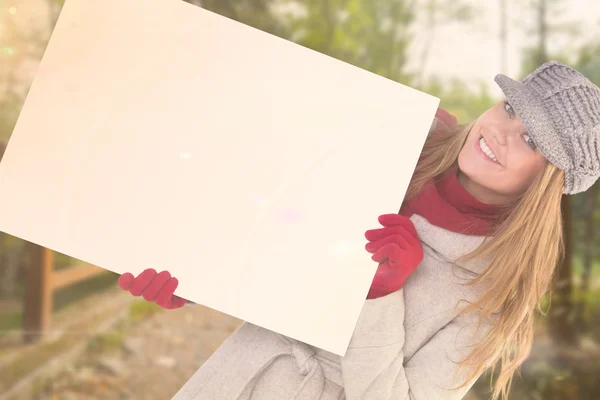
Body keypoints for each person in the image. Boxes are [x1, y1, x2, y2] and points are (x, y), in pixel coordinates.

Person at [117, 60, 600, 400]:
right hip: (233, 377)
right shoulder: (401, 142)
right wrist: (200, 278)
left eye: (532, 140)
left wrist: (381, 295)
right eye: (509, 109)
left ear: (548, 182)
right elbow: (276, 216)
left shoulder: (495, 291)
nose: (500, 130)